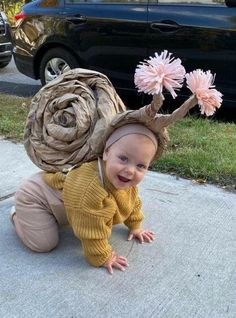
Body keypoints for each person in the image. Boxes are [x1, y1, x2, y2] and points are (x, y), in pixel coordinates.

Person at [11, 124, 159, 275]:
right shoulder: (90, 189)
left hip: (62, 201)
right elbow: (90, 229)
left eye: (141, 165)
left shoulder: (123, 179)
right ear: (106, 153)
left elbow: (131, 201)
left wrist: (135, 226)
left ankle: (48, 219)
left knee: (70, 219)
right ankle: (17, 213)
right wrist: (102, 256)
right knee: (43, 244)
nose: (130, 170)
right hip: (36, 198)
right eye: (123, 158)